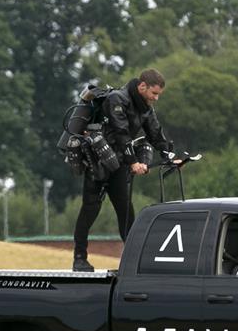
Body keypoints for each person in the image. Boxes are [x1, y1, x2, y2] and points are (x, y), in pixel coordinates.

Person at [72, 69, 173, 272]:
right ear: (142, 86)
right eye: (154, 93)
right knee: (90, 209)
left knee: (126, 211)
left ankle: (134, 261)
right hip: (99, 161)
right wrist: (134, 162)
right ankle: (79, 258)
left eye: (158, 94)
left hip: (119, 165)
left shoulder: (145, 107)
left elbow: (155, 133)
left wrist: (169, 155)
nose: (156, 98)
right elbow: (121, 133)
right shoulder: (117, 99)